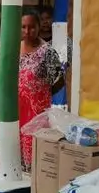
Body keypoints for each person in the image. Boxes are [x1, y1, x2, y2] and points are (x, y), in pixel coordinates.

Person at [19, 10, 66, 171]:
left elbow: (59, 82)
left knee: (36, 157)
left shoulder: (47, 52)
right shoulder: (15, 49)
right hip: (18, 111)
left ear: (39, 27)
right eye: (23, 27)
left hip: (37, 114)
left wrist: (39, 93)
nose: (27, 31)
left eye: (31, 27)